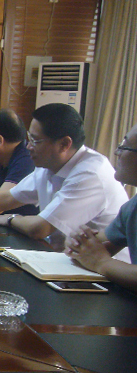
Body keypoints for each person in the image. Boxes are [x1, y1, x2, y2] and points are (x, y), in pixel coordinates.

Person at [0, 103, 129, 251]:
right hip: (60, 257)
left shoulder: (90, 174)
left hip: (99, 275)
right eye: (29, 138)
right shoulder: (48, 164)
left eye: (35, 140)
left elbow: (39, 228)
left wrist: (10, 219)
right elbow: (6, 199)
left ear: (64, 144)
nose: (28, 147)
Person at [65, 124, 137, 289]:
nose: (116, 152)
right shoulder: (132, 207)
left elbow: (100, 258)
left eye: (124, 147)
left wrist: (101, 262)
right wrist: (80, 243)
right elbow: (100, 243)